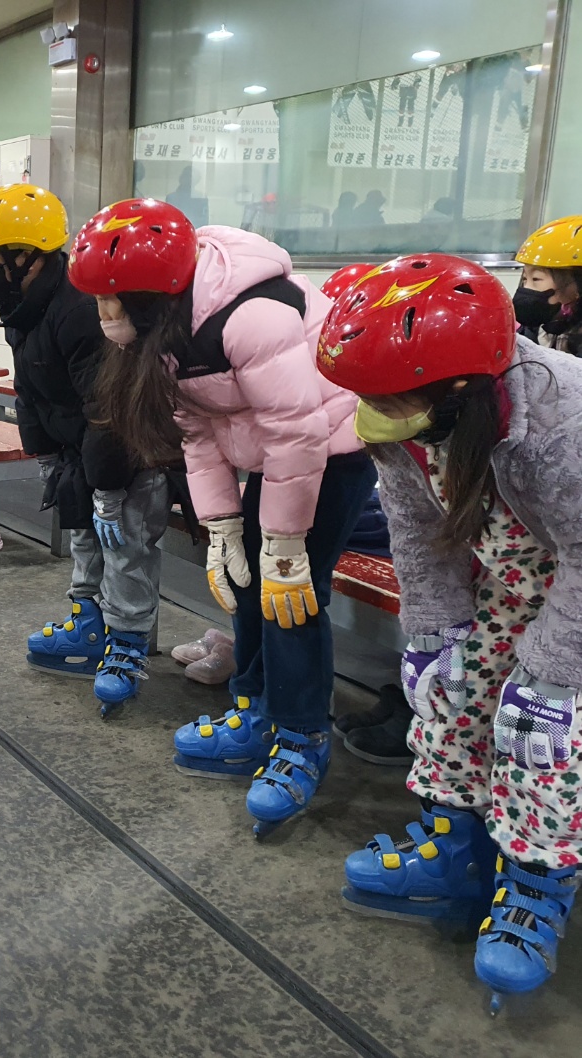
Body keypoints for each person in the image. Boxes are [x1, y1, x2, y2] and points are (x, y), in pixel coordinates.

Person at [317, 254, 582, 1011]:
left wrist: (551, 676)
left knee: (543, 739)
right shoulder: (403, 410)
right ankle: (455, 850)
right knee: (454, 697)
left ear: (464, 386)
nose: (372, 409)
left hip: (572, 593)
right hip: (507, 583)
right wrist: (432, 632)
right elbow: (413, 524)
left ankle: (535, 884)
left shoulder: (559, 423)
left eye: (386, 398)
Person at [68, 198, 374, 836]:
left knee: (291, 595)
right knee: (246, 582)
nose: (101, 318)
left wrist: (285, 543)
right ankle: (255, 706)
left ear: (153, 295)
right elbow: (197, 430)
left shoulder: (250, 317)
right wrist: (223, 526)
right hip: (270, 454)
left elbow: (298, 434)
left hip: (329, 448)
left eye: (109, 303)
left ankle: (300, 737)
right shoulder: (162, 335)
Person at [0, 183, 168, 714]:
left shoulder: (78, 309)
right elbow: (31, 389)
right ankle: (89, 619)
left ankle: (128, 642)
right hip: (83, 448)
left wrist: (107, 487)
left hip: (126, 450)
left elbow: (108, 409)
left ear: (25, 256)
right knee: (84, 537)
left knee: (126, 546)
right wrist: (49, 454)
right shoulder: (24, 302)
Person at [513, 214, 582, 353]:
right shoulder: (538, 329)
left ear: (577, 285)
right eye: (525, 279)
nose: (526, 288)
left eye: (536, 279)